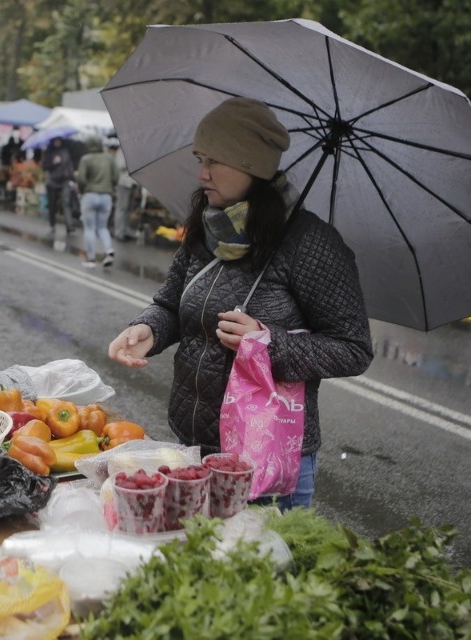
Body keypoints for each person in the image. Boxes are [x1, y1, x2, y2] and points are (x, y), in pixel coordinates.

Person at [107, 97, 373, 511]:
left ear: (252, 166)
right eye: (200, 158)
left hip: (266, 459)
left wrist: (269, 344)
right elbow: (170, 303)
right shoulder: (208, 227)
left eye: (215, 161)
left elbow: (353, 349)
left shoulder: (310, 244)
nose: (202, 173)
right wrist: (151, 328)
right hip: (193, 448)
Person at [76, 137, 120, 268]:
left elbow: (81, 179)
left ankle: (91, 259)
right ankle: (108, 251)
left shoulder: (86, 159)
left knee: (89, 228)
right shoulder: (109, 159)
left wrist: (83, 190)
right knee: (102, 227)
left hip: (89, 195)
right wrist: (109, 187)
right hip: (106, 196)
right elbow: (116, 177)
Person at [42, 136, 76, 234]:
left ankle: (69, 226)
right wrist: (53, 163)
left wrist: (72, 179)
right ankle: (52, 224)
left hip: (64, 181)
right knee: (52, 204)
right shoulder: (49, 152)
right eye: (56, 141)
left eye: (59, 140)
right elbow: (45, 166)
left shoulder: (65, 151)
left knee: (66, 203)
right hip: (52, 182)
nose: (58, 142)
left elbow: (69, 166)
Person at [108, 137, 140, 241]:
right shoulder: (122, 150)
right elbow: (120, 165)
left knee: (129, 208)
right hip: (123, 182)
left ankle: (125, 229)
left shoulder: (135, 150)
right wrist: (131, 161)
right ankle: (118, 232)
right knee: (122, 207)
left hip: (132, 183)